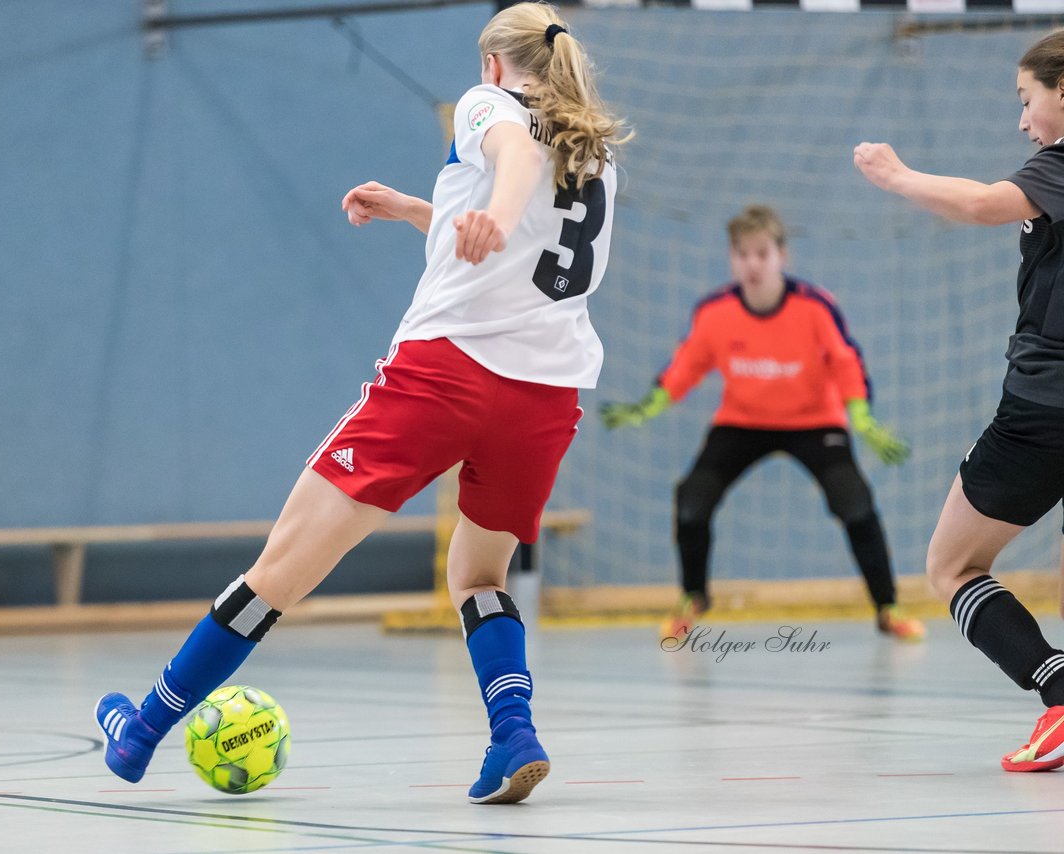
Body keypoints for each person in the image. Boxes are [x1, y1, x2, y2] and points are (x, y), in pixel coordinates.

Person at [95, 1, 630, 804]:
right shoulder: (595, 154)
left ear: (494, 64)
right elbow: (522, 246)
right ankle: (512, 733)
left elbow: (512, 161)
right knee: (481, 573)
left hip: (446, 375)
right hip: (545, 398)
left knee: (282, 568)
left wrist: (494, 209)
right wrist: (425, 210)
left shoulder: (492, 106)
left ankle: (141, 731)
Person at [853, 29, 1064, 772]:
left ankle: (1059, 692)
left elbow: (982, 204)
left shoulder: (1060, 164)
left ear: (1063, 90)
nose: (1022, 119)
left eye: (1026, 99)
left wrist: (897, 175)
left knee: (952, 565)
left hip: (1046, 409)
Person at [601, 205, 925, 643]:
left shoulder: (814, 307)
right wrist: (649, 405)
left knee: (857, 506)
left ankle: (888, 607)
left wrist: (861, 416)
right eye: (741, 254)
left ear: (781, 256)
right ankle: (693, 597)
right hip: (743, 422)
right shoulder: (715, 313)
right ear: (731, 258)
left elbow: (847, 362)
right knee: (692, 501)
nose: (751, 264)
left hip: (815, 422)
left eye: (761, 253)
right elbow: (686, 366)